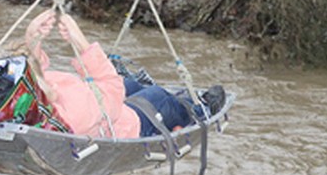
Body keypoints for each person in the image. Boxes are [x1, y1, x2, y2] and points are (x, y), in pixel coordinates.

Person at [23, 9, 200, 139]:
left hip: (97, 107)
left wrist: (32, 38)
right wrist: (82, 43)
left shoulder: (28, 102)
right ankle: (196, 109)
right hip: (124, 126)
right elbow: (111, 91)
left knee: (129, 85)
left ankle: (150, 92)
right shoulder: (70, 116)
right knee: (158, 97)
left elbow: (35, 71)